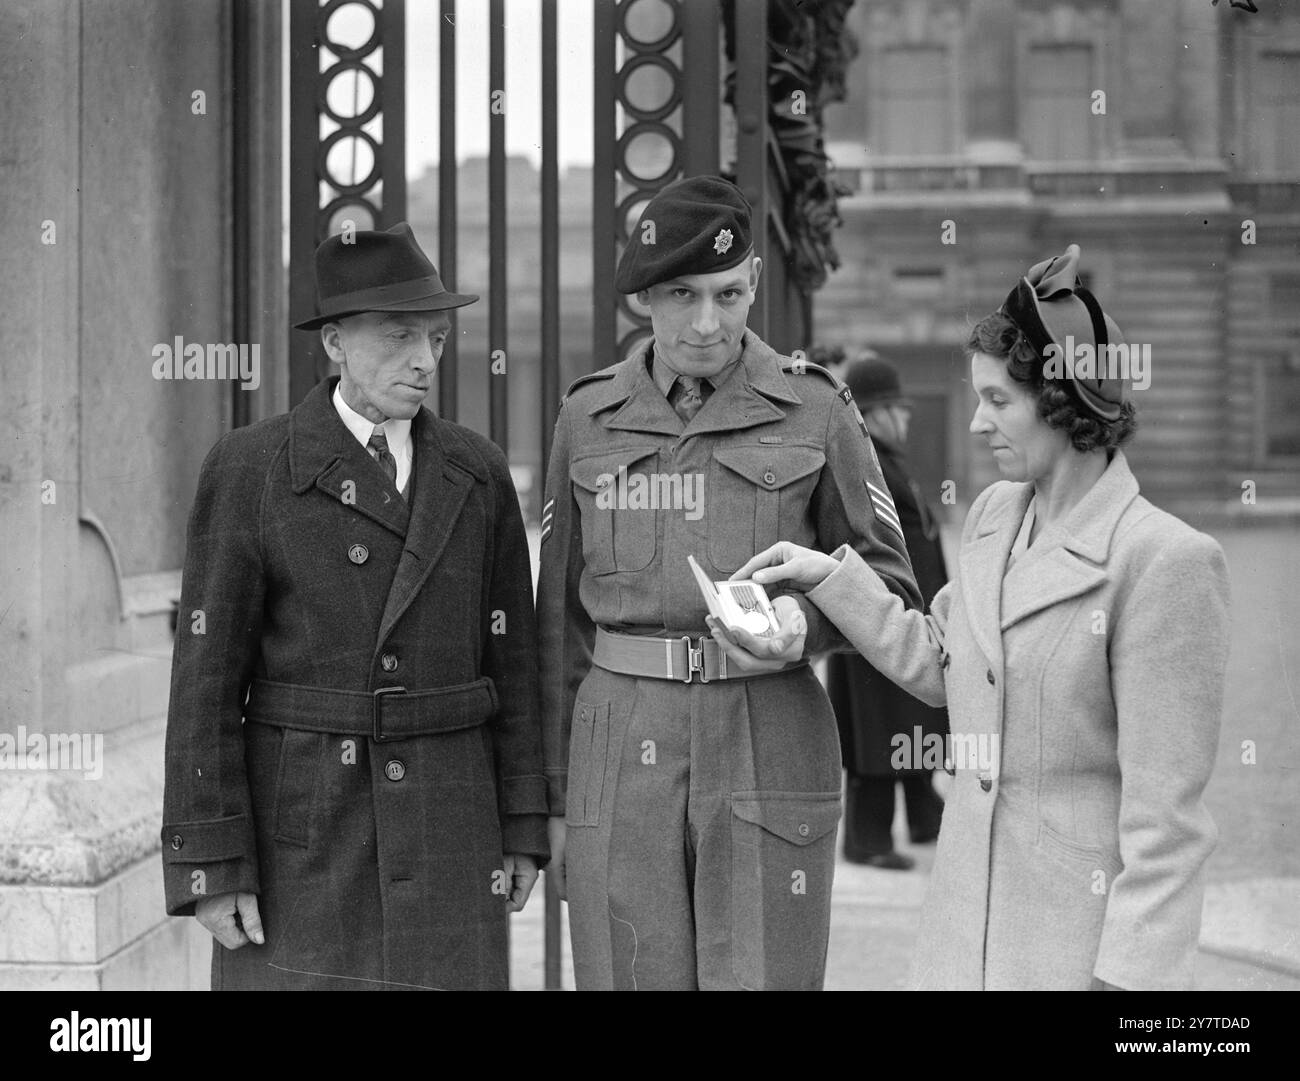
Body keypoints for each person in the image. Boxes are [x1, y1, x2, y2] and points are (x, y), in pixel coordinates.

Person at [721, 244, 1231, 991]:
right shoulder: (995, 516)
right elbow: (939, 660)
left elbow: (1168, 831)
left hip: (1072, 952)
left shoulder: (1165, 562)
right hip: (962, 939)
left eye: (999, 401)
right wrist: (827, 576)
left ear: (1063, 400)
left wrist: (1126, 987)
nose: (979, 424)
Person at [537, 175, 920, 990]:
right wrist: (550, 797)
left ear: (751, 285)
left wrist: (802, 627)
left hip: (767, 732)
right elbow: (554, 624)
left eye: (728, 293)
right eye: (681, 294)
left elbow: (890, 585)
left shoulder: (817, 408)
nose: (707, 322)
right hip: (619, 745)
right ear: (644, 297)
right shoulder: (587, 418)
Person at [160, 222, 549, 990]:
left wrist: (522, 825)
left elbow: (516, 666)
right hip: (304, 834)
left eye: (436, 338)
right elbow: (204, 686)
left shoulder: (477, 472)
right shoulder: (251, 469)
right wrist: (212, 858)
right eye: (400, 336)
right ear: (334, 343)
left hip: (450, 826)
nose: (425, 360)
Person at [824, 355, 949, 870]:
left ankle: (924, 813)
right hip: (877, 624)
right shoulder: (867, 465)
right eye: (897, 408)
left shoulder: (887, 462)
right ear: (874, 414)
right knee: (879, 734)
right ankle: (867, 837)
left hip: (904, 619)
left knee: (909, 722)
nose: (907, 418)